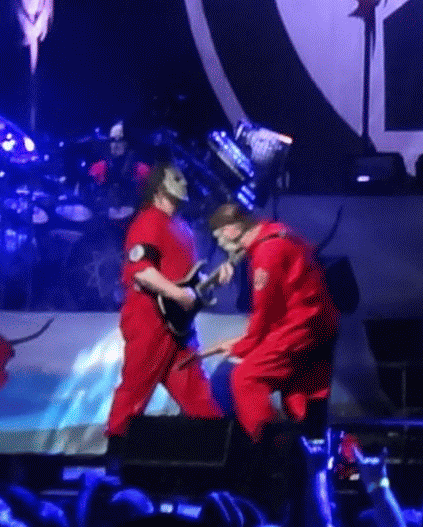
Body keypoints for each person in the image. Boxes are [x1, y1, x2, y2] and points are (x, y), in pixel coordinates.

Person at [204, 202, 341, 443]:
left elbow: (264, 313)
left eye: (221, 233)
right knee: (300, 399)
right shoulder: (278, 233)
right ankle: (336, 453)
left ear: (235, 228)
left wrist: (241, 347)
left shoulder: (267, 253)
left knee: (245, 378)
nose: (221, 241)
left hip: (301, 328)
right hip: (319, 325)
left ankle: (271, 448)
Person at [107, 164, 223, 445]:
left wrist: (212, 281)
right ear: (160, 188)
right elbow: (141, 270)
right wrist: (178, 294)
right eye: (176, 179)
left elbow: (186, 278)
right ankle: (116, 455)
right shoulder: (148, 221)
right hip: (149, 319)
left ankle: (219, 449)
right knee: (135, 389)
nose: (183, 184)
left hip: (179, 326)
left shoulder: (182, 227)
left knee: (198, 394)